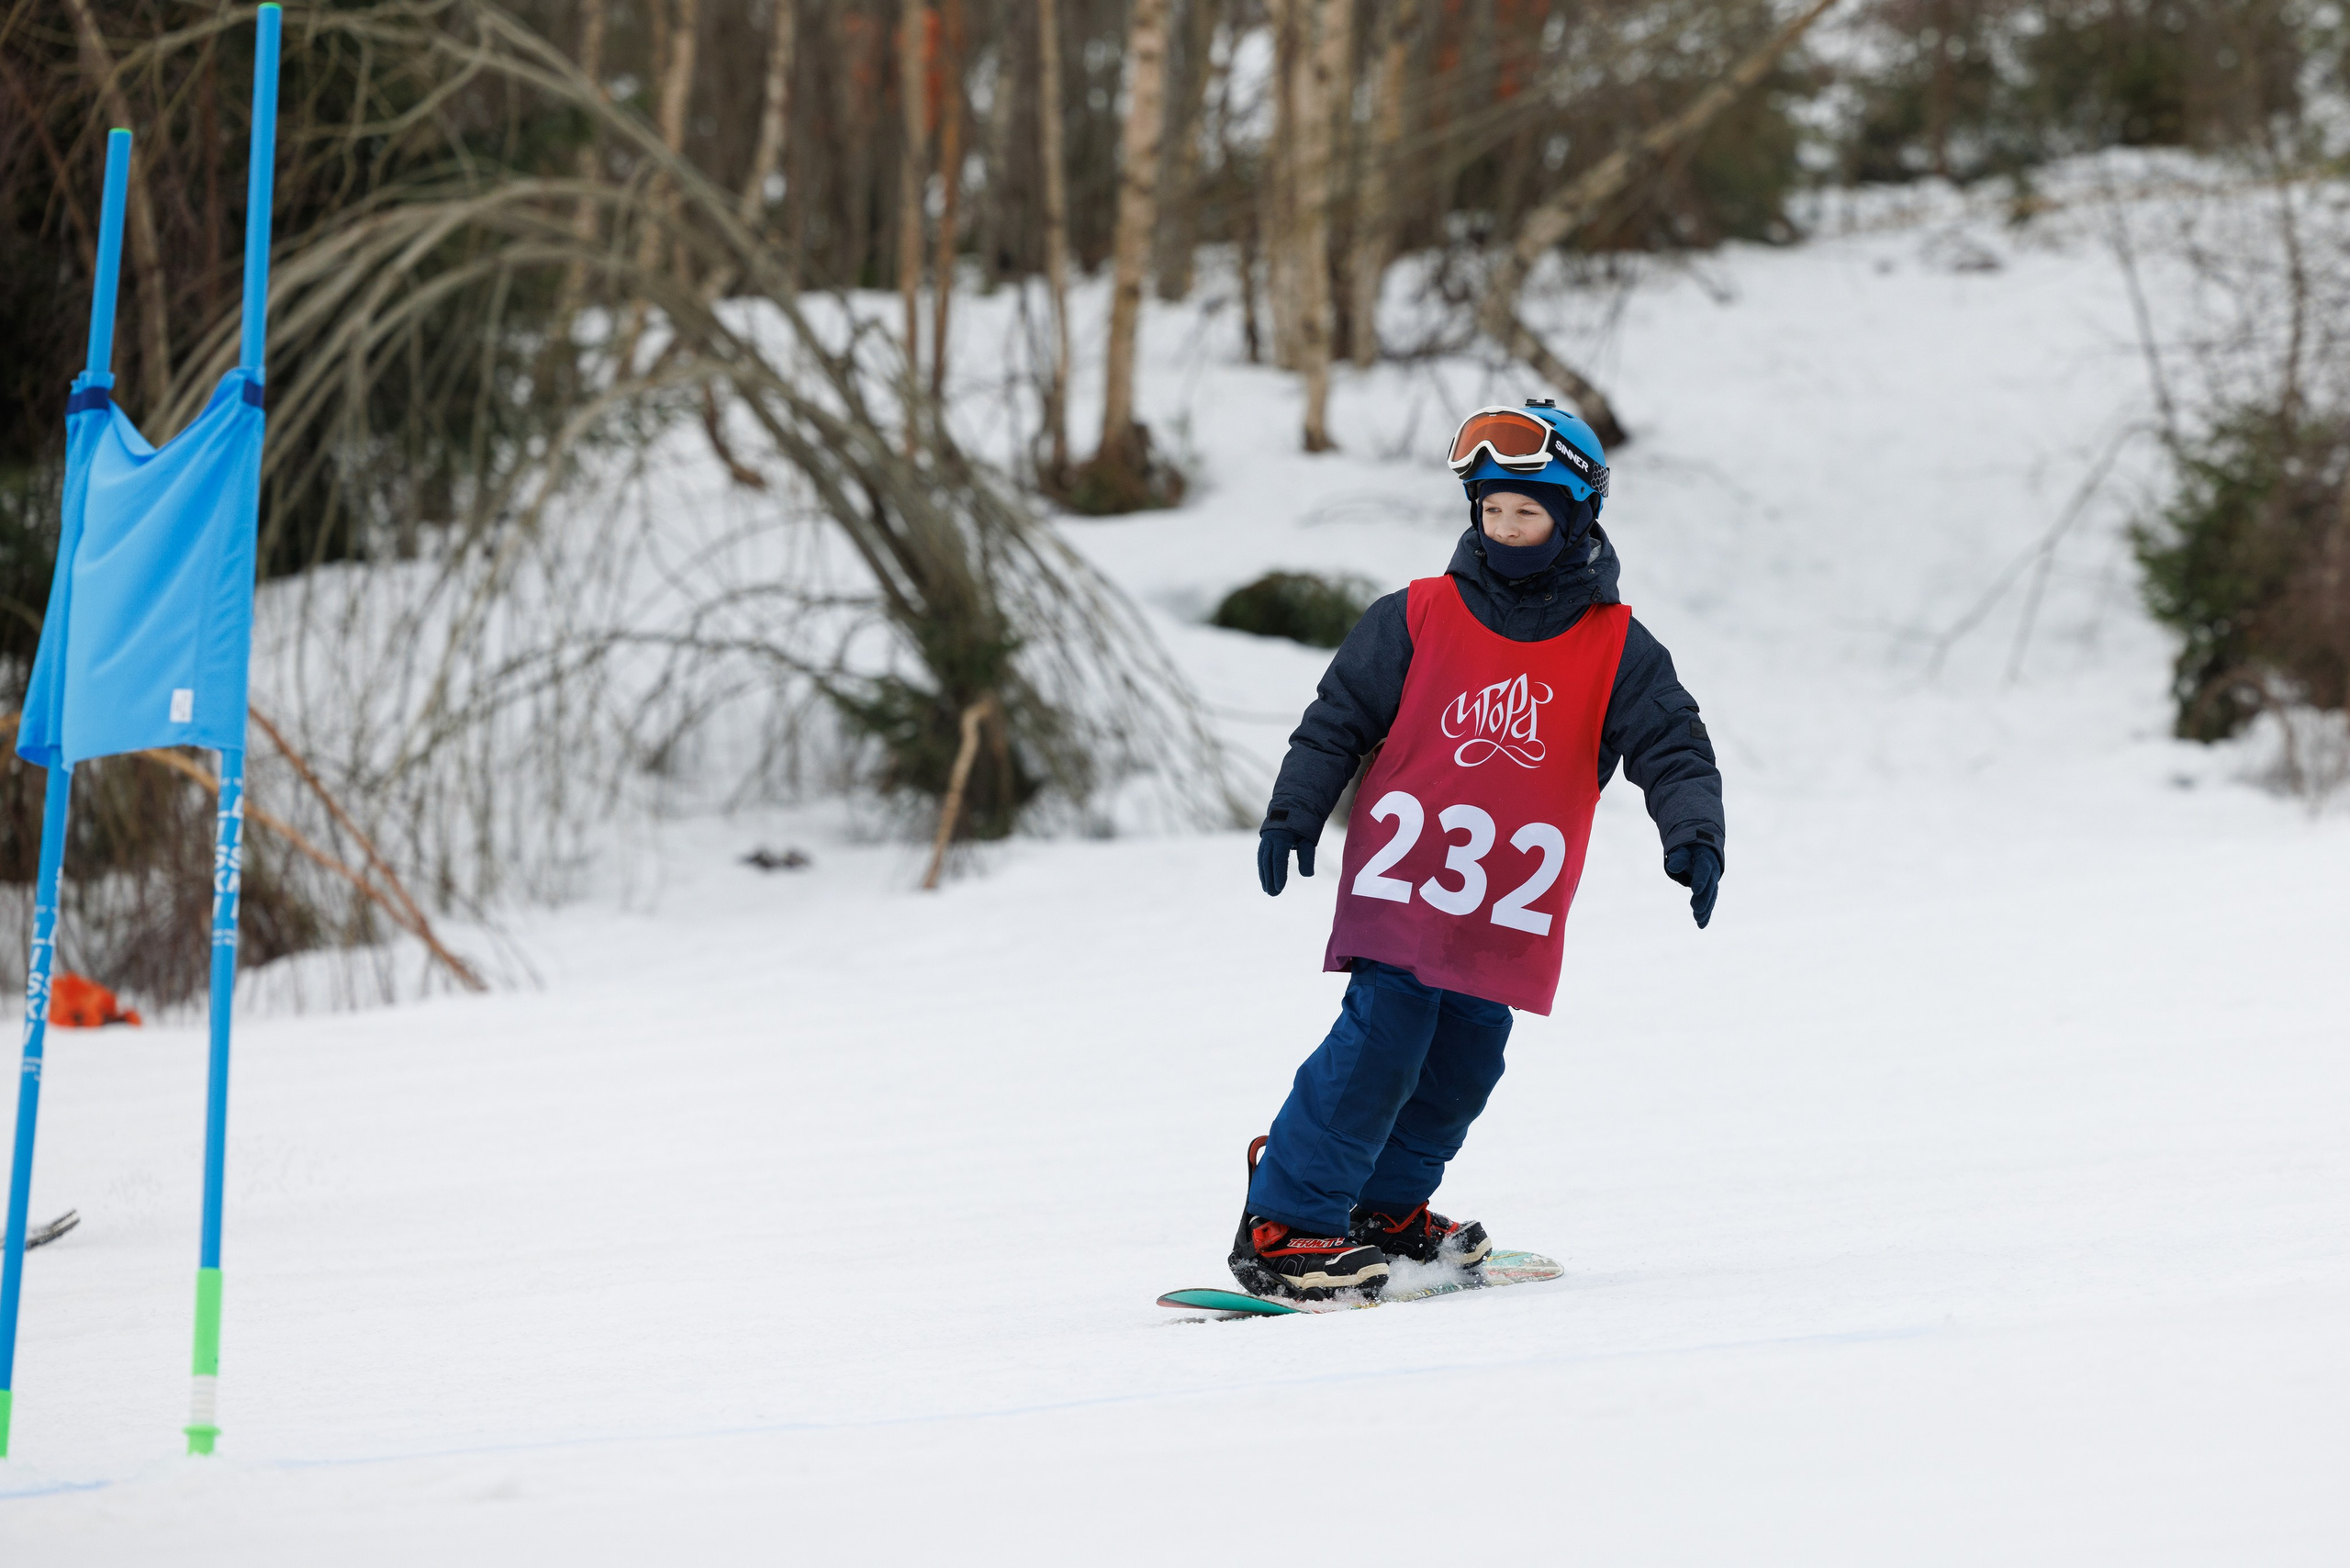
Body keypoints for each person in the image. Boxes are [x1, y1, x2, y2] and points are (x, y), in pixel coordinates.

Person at [1230, 399, 1726, 1299]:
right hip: (1405, 879)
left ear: (1575, 517)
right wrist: (1292, 813)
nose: (1504, 529)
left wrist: (1693, 834)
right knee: (1383, 1040)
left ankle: (1382, 1209)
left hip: (1504, 905)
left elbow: (1673, 745)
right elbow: (1334, 723)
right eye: (1490, 511)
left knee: (1462, 1064)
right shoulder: (1416, 616)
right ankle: (1288, 1222)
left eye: (1525, 513)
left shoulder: (1615, 647)